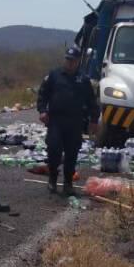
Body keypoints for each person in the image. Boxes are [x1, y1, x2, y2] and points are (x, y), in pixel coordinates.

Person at [37, 45, 99, 196]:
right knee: (54, 149)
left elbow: (91, 101)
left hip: (75, 122)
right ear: (65, 59)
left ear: (78, 61)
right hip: (56, 120)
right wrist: (43, 111)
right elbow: (43, 94)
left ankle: (68, 183)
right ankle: (52, 179)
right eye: (68, 59)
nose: (70, 63)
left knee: (72, 153)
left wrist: (94, 120)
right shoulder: (54, 75)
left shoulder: (83, 80)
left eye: (73, 60)